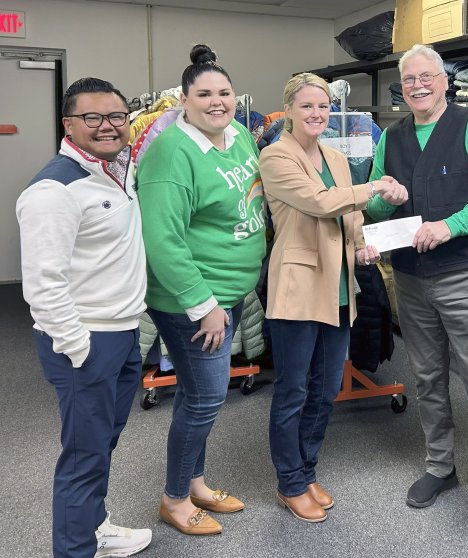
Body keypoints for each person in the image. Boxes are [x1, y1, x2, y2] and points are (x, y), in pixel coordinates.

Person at [365, 44, 468, 547]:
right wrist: (379, 207)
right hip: (410, 277)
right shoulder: (392, 136)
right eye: (409, 80)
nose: (418, 86)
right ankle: (440, 465)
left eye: (427, 77)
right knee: (426, 377)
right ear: (402, 87)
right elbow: (377, 206)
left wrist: (450, 227)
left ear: (445, 81)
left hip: (465, 275)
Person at [259, 73, 407, 523]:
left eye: (323, 107)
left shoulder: (336, 158)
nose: (317, 115)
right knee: (293, 391)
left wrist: (362, 242)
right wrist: (377, 185)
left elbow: (350, 216)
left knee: (324, 391)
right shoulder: (274, 156)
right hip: (300, 286)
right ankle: (289, 483)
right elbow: (322, 203)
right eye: (307, 107)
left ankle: (306, 471)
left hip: (341, 286)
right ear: (288, 110)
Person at [16, 77, 152, 558]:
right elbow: (43, 285)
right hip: (87, 342)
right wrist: (78, 347)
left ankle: (94, 528)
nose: (107, 126)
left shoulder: (114, 171)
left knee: (102, 445)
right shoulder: (54, 190)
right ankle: (75, 549)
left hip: (121, 332)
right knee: (84, 457)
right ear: (68, 124)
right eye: (92, 118)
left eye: (116, 116)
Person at [137, 44, 267, 536]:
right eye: (205, 94)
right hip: (191, 301)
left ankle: (195, 482)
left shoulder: (238, 134)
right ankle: (174, 498)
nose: (218, 101)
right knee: (207, 398)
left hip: (228, 293)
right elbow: (162, 241)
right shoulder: (172, 154)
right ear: (184, 102)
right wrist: (204, 306)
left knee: (199, 396)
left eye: (225, 92)